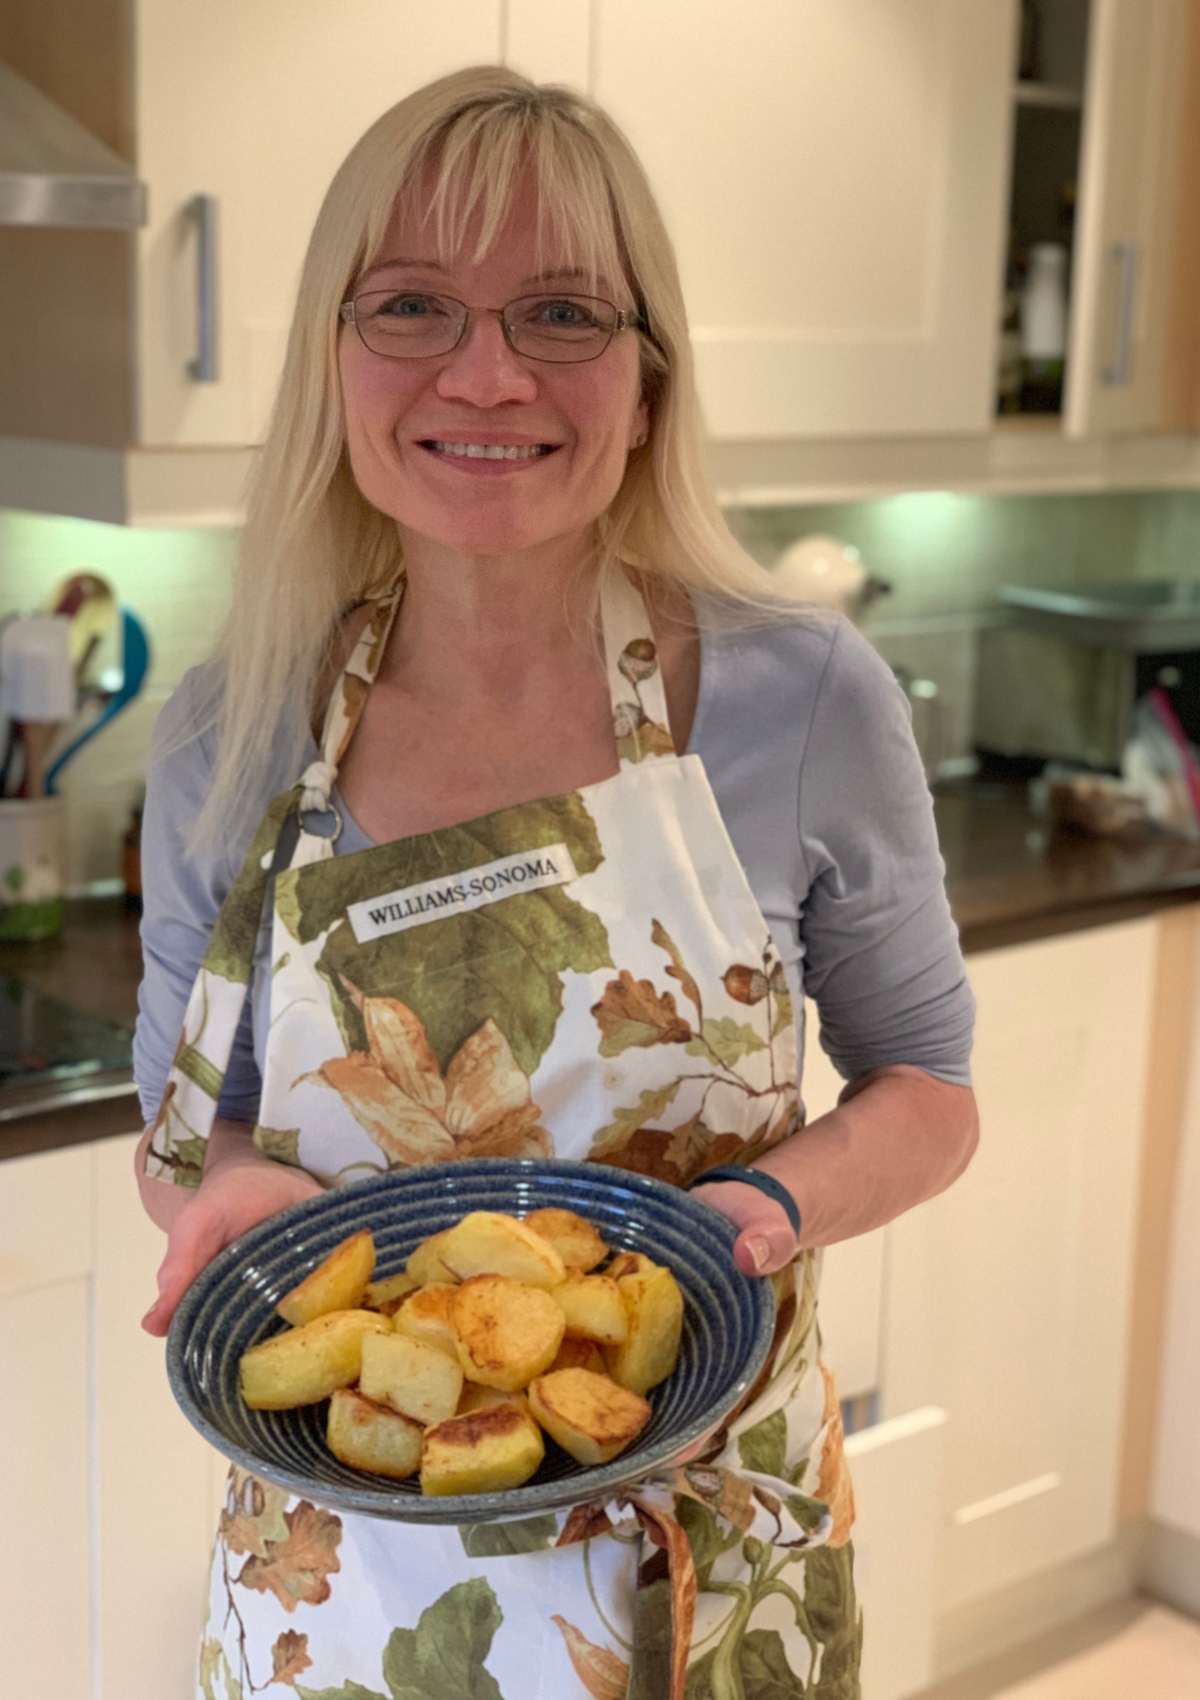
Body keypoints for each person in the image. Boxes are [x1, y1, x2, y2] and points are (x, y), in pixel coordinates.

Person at [134, 65, 977, 1700]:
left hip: (707, 1563)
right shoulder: (234, 726)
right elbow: (189, 1131)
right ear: (332, 360)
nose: (487, 370)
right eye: (412, 305)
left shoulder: (802, 698)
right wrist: (218, 1212)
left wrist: (766, 1220)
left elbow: (930, 1089)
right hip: (337, 1585)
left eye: (565, 313)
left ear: (650, 381)